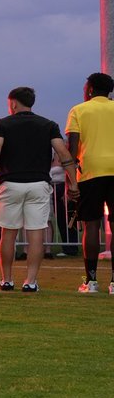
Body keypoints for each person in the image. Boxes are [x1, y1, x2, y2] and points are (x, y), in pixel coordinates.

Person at [0, 87, 76, 292]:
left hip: (10, 183)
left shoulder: (3, 124)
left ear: (13, 103)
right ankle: (30, 281)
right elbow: (63, 153)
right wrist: (73, 182)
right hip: (38, 183)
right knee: (36, 232)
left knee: (8, 233)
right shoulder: (48, 125)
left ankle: (7, 279)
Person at [65, 71, 114, 293]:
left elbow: (72, 149)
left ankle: (91, 280)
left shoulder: (78, 110)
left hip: (90, 172)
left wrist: (70, 180)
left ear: (90, 89)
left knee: (91, 226)